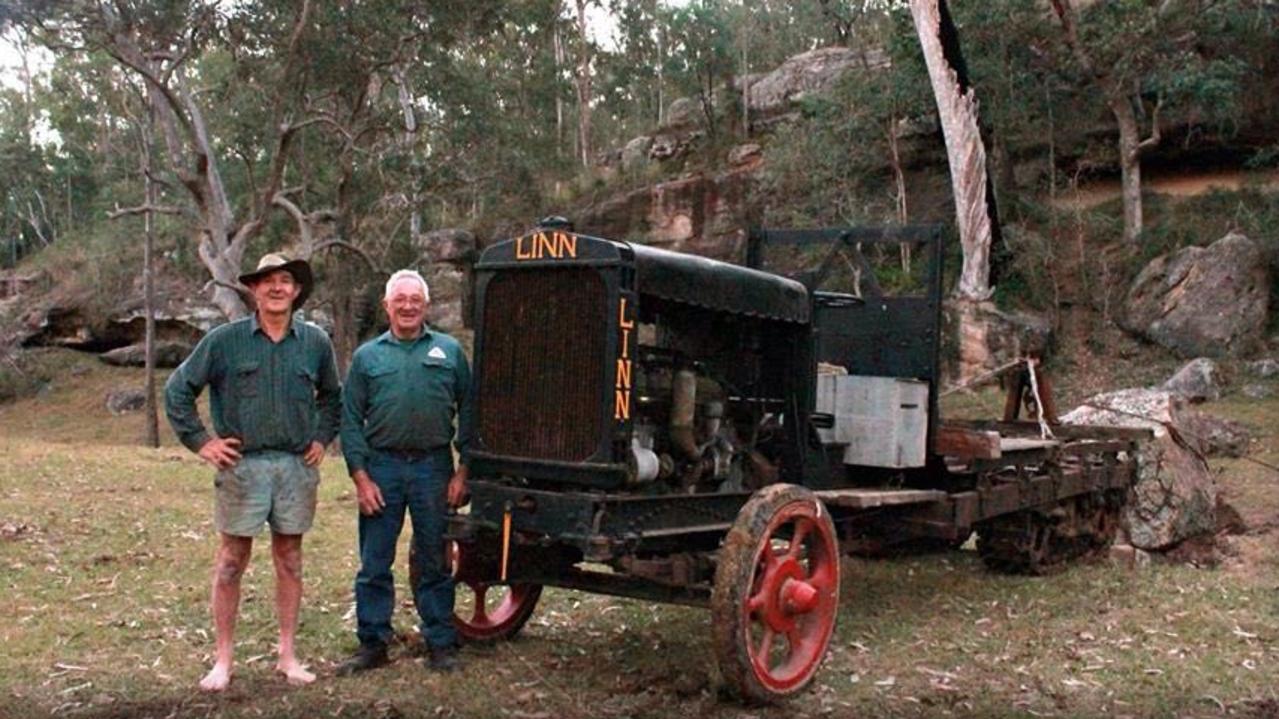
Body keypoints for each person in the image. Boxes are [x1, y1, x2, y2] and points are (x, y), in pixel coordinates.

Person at [164, 253, 341, 691]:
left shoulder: (315, 342)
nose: (276, 288)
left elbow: (333, 398)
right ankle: (223, 661)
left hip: (295, 468)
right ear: (253, 291)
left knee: (290, 560)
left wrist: (321, 438)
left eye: (285, 281)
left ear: (297, 290)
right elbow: (178, 390)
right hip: (242, 467)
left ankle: (287, 656)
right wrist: (202, 442)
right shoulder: (225, 342)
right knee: (230, 562)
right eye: (267, 282)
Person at [337, 269, 473, 674]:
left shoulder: (449, 352)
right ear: (387, 306)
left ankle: (440, 643)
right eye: (401, 299)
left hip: (434, 468)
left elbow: (471, 412)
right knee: (375, 561)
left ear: (426, 306)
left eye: (416, 299)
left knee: (435, 558)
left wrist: (463, 471)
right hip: (382, 470)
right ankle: (373, 644)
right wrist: (361, 477)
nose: (408, 306)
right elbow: (349, 420)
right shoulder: (367, 357)